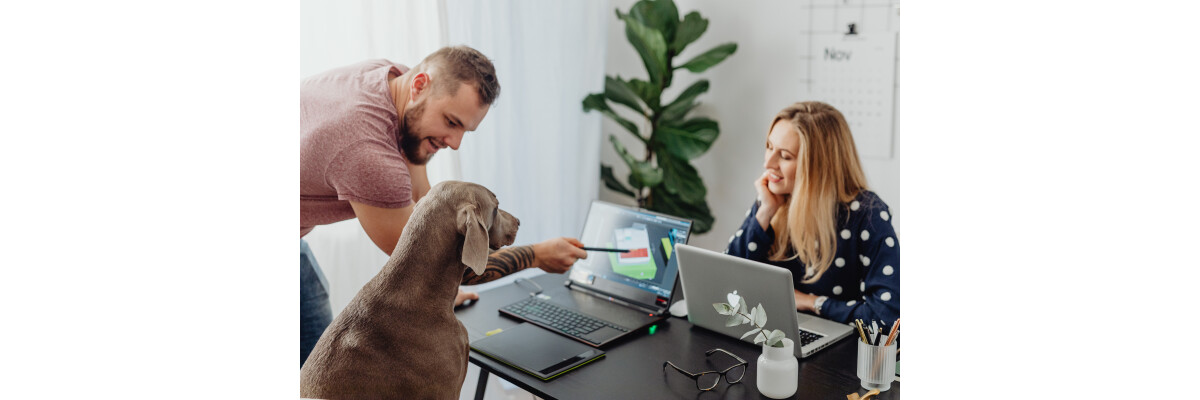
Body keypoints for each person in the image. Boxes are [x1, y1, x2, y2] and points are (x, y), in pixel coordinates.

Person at [300, 46, 588, 367]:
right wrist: (536, 255)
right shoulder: (368, 152)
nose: (455, 142)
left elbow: (424, 206)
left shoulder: (391, 79)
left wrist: (443, 289)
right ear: (420, 84)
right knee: (319, 371)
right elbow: (427, 258)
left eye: (464, 128)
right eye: (451, 122)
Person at [725, 101, 899, 327]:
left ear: (818, 166)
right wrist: (765, 213)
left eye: (785, 156)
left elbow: (887, 318)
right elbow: (728, 285)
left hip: (837, 354)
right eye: (769, 147)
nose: (768, 163)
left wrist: (811, 302)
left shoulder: (868, 215)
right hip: (771, 337)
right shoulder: (772, 199)